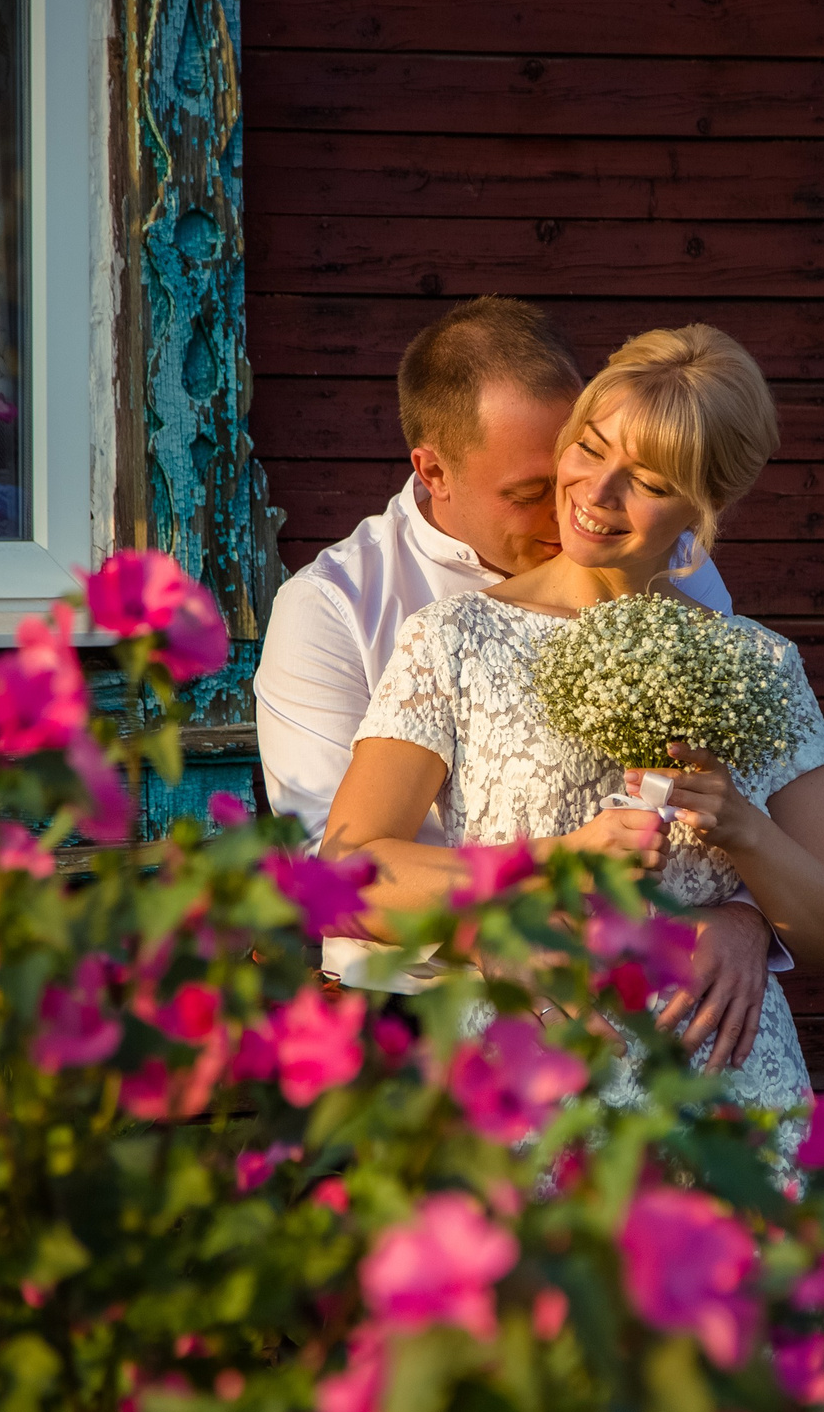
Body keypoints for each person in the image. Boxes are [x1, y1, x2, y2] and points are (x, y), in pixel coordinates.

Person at [320, 324, 824, 1126]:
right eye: (588, 446)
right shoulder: (453, 639)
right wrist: (555, 859)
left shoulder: (761, 665)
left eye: (645, 479)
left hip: (725, 1099)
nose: (595, 491)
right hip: (529, 1094)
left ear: (706, 502)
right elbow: (349, 873)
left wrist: (745, 841)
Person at [252, 297, 790, 1066]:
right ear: (433, 470)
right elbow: (330, 867)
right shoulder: (336, 607)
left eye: (580, 460)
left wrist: (747, 918)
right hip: (413, 1012)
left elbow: (721, 797)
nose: (577, 507)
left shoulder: (672, 574)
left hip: (653, 1004)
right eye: (528, 492)